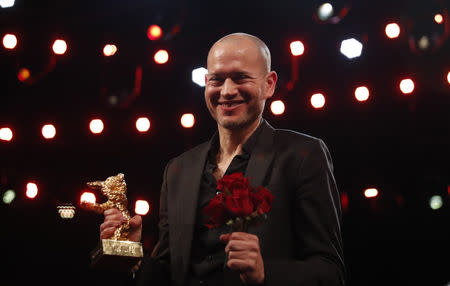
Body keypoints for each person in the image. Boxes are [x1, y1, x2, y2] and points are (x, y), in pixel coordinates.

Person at [100, 32, 345, 286]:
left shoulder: (302, 155)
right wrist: (133, 254)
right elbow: (168, 273)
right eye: (217, 80)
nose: (227, 91)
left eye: (240, 78)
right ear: (206, 83)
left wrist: (265, 274)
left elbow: (330, 272)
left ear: (269, 84)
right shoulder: (179, 169)